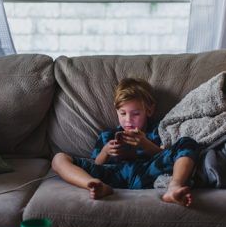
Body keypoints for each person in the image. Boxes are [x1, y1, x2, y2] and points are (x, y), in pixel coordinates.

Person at [51, 77, 199, 206]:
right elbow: (96, 164)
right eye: (123, 113)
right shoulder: (107, 135)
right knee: (59, 158)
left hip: (146, 171)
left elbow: (166, 156)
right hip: (113, 174)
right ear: (117, 112)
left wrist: (146, 145)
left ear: (149, 110)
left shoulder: (158, 130)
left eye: (135, 114)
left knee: (187, 142)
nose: (128, 120)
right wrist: (105, 151)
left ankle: (174, 187)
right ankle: (94, 185)